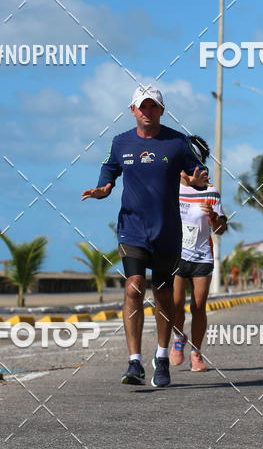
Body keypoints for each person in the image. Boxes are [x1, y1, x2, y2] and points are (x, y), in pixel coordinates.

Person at [81, 85, 208, 388]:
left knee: (163, 294)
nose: (147, 111)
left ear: (161, 111)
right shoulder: (120, 142)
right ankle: (134, 361)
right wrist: (102, 189)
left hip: (167, 231)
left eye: (153, 107)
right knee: (134, 287)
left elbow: (199, 175)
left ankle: (162, 356)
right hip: (132, 228)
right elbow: (109, 170)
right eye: (142, 106)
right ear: (133, 110)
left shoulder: (177, 142)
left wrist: (195, 180)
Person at [170, 135, 227, 372]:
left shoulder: (210, 191)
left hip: (202, 255)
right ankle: (177, 339)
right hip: (175, 256)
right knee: (174, 305)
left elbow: (221, 229)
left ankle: (196, 351)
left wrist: (213, 217)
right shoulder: (171, 187)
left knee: (199, 306)